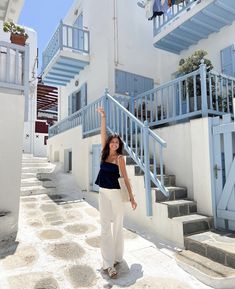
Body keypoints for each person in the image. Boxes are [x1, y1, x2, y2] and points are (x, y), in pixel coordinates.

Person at [95, 107, 137, 279]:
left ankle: (117, 257)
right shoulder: (104, 153)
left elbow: (126, 179)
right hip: (103, 193)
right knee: (105, 227)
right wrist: (103, 117)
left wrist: (132, 198)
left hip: (116, 194)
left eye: (117, 143)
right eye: (112, 142)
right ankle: (108, 264)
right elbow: (103, 133)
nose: (114, 144)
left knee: (118, 225)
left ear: (119, 145)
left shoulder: (120, 158)